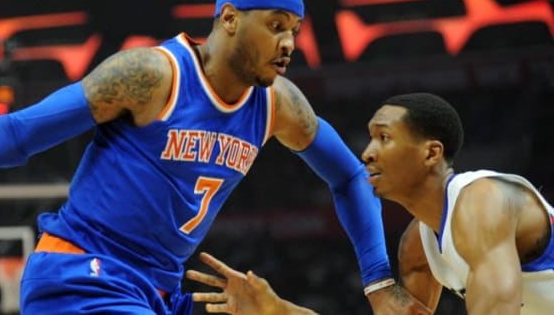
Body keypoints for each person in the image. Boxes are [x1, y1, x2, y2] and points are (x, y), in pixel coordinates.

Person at [0, 0, 422, 315]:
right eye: (275, 26)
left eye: (294, 30)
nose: (289, 43)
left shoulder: (278, 105)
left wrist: (377, 281)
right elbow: (21, 133)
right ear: (227, 20)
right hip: (83, 274)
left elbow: (348, 175)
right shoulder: (152, 75)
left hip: (154, 292)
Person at [186, 92, 554, 315]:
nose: (367, 153)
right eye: (369, 139)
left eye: (384, 138)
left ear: (431, 153)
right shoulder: (417, 248)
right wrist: (279, 310)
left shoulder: (482, 202)